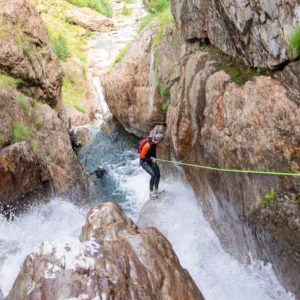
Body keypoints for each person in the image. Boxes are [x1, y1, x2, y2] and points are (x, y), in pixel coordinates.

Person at [140, 133, 164, 200]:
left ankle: (156, 190)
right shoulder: (147, 146)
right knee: (153, 175)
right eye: (159, 142)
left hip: (151, 161)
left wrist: (154, 158)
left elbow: (153, 153)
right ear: (156, 140)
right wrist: (151, 160)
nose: (159, 143)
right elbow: (142, 157)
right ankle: (151, 193)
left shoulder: (154, 143)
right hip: (144, 162)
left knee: (158, 174)